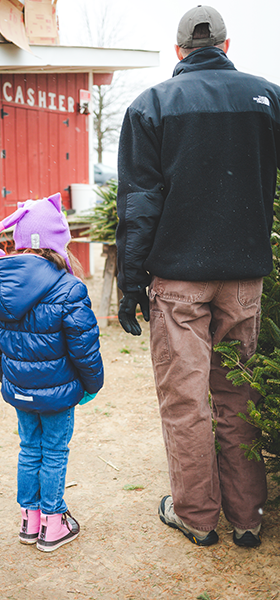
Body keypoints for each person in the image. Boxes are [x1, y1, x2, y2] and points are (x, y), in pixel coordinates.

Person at [116, 5, 280, 548]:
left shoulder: (152, 105)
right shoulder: (268, 99)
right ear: (227, 47)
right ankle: (249, 516)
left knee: (186, 400)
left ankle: (196, 517)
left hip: (179, 282)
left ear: (179, 51)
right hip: (244, 281)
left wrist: (130, 285)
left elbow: (139, 203)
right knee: (238, 395)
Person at [0, 193, 104, 552]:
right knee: (54, 452)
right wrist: (92, 385)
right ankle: (52, 524)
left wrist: (8, 377)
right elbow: (85, 346)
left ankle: (28, 520)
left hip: (20, 391)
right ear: (58, 243)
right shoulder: (69, 288)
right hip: (59, 394)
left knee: (29, 449)